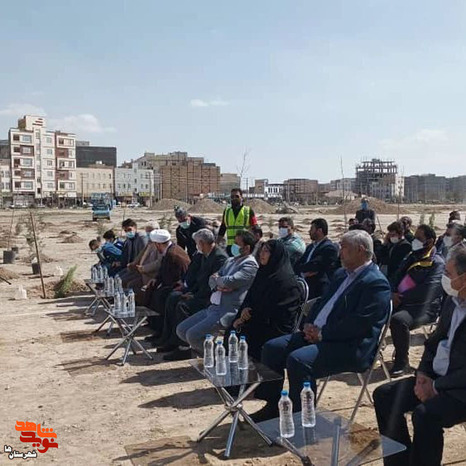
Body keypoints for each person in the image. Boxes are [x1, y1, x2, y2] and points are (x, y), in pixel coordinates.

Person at [251, 230, 391, 422]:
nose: (339, 252)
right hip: (319, 335)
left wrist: (322, 334)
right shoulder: (341, 274)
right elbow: (321, 303)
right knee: (272, 348)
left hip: (350, 346)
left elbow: (359, 324)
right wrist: (309, 324)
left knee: (299, 361)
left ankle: (303, 419)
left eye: (344, 248)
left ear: (360, 250)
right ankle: (273, 405)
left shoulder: (375, 283)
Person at [374, 249, 466, 466]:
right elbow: (434, 341)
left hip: (459, 389)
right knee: (385, 396)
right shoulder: (453, 302)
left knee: (425, 416)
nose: (445, 278)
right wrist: (423, 373)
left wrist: (436, 387)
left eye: (449, 273)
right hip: (436, 377)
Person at [176, 230, 258, 354]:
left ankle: (219, 356)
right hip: (212, 307)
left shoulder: (250, 265)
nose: (233, 246)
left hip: (225, 310)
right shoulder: (230, 261)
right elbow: (211, 279)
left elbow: (230, 281)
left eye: (237, 244)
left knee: (192, 335)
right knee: (181, 330)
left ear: (246, 248)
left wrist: (219, 281)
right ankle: (214, 354)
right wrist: (219, 284)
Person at [155, 229, 228, 360]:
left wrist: (194, 296)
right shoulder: (204, 255)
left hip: (209, 298)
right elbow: (199, 279)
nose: (196, 246)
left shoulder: (219, 257)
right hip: (199, 292)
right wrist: (190, 291)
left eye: (197, 243)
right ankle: (170, 339)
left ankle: (184, 347)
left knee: (183, 306)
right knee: (172, 297)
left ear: (202, 243)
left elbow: (212, 284)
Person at [230, 240, 301, 360]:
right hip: (256, 318)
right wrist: (244, 311)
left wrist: (248, 315)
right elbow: (250, 297)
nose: (261, 254)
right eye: (261, 250)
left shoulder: (286, 282)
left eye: (266, 251)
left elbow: (277, 311)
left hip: (273, 327)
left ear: (275, 255)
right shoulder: (263, 272)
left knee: (246, 338)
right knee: (231, 332)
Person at [390, 224, 445, 376]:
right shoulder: (413, 256)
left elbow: (428, 291)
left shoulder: (437, 263)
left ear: (430, 241)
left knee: (398, 320)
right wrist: (392, 293)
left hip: (423, 308)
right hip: (400, 301)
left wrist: (401, 298)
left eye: (419, 239)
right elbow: (396, 276)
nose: (415, 241)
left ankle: (402, 362)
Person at [144, 230, 191, 339]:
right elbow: (162, 271)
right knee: (152, 290)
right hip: (173, 283)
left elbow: (172, 277)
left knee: (160, 296)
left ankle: (163, 332)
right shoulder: (170, 250)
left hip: (180, 285)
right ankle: (156, 328)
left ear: (158, 244)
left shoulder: (172, 254)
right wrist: (156, 279)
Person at [294, 218, 339, 299]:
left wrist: (303, 269)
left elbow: (315, 265)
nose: (309, 232)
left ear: (319, 231)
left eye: (312, 229)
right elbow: (298, 264)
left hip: (319, 289)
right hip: (306, 287)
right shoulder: (310, 247)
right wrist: (302, 273)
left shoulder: (329, 248)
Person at [217, 188, 258, 256]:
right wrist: (217, 243)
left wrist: (254, 245)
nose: (234, 198)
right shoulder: (227, 211)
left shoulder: (248, 211)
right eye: (232, 197)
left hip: (243, 247)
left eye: (237, 196)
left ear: (241, 197)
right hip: (230, 247)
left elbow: (255, 228)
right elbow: (223, 228)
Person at [122, 221, 161, 289]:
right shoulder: (150, 242)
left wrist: (144, 268)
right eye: (147, 233)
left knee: (131, 285)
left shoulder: (160, 244)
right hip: (142, 272)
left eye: (150, 232)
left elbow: (158, 263)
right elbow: (141, 254)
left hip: (152, 275)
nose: (148, 234)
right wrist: (133, 263)